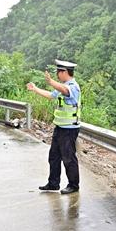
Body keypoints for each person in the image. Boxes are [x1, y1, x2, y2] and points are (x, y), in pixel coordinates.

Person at [26, 59, 81, 195]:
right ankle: (53, 183)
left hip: (70, 128)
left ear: (64, 72)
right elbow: (51, 95)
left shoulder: (72, 86)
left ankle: (73, 185)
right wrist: (35, 89)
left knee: (68, 158)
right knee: (54, 156)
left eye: (58, 72)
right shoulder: (62, 85)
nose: (57, 74)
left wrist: (51, 82)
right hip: (60, 127)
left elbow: (65, 91)